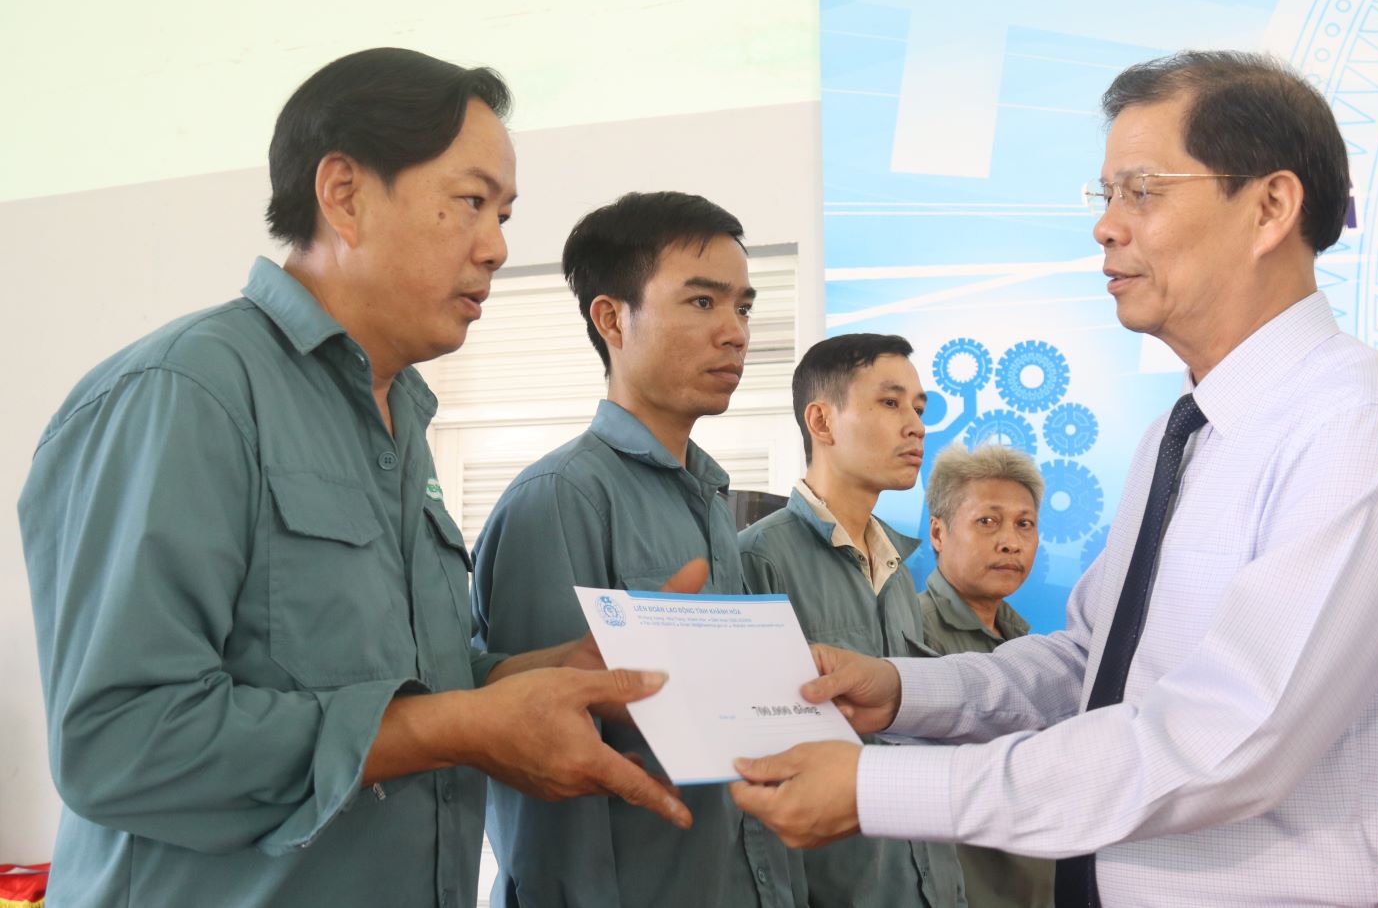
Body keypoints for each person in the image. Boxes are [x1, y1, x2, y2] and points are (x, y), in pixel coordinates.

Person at [730, 50, 1378, 908]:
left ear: (1269, 206)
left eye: (1141, 191)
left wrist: (874, 790)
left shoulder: (1362, 427)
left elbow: (1227, 740)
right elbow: (1095, 665)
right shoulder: (1183, 430)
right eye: (1106, 196)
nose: (1105, 227)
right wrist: (900, 691)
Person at [18, 48, 691, 908]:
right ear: (344, 195)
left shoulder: (399, 413)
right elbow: (119, 742)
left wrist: (543, 674)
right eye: (470, 203)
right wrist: (453, 727)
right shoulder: (185, 394)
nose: (496, 247)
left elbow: (373, 673)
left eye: (504, 213)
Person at [472, 191, 804, 907]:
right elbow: (542, 772)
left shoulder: (709, 498)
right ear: (611, 317)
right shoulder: (560, 498)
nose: (735, 332)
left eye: (742, 307)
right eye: (700, 303)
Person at [737, 333, 966, 908]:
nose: (915, 426)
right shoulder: (757, 560)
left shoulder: (897, 565)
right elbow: (753, 772)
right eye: (890, 403)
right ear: (821, 420)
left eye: (918, 408)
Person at [917, 443, 1053, 908]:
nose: (1011, 541)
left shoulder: (1033, 646)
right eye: (987, 522)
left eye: (1024, 524)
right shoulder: (911, 633)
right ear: (938, 532)